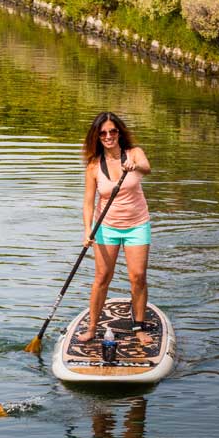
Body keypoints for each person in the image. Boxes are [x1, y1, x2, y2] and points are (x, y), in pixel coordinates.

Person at [78, 112, 153, 345]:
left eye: (112, 131)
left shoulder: (134, 154)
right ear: (97, 137)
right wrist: (88, 230)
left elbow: (147, 168)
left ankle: (139, 327)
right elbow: (88, 202)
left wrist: (135, 165)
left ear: (119, 132)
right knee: (102, 277)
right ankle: (92, 328)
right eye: (103, 133)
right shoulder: (93, 166)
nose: (108, 136)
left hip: (137, 225)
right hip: (106, 227)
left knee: (138, 277)